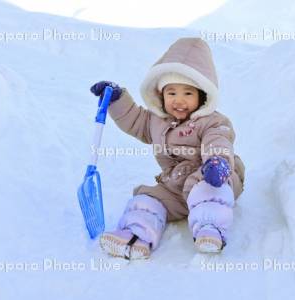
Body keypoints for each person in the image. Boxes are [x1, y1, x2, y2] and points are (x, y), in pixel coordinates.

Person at [90, 37, 245, 259]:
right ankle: (136, 235)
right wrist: (116, 100)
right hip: (175, 183)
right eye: (172, 93)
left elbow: (218, 141)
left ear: (202, 96)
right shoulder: (156, 120)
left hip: (215, 174)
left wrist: (217, 162)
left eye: (188, 93)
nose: (179, 100)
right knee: (149, 198)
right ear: (161, 95)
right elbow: (134, 119)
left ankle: (211, 229)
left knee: (206, 188)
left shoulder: (212, 121)